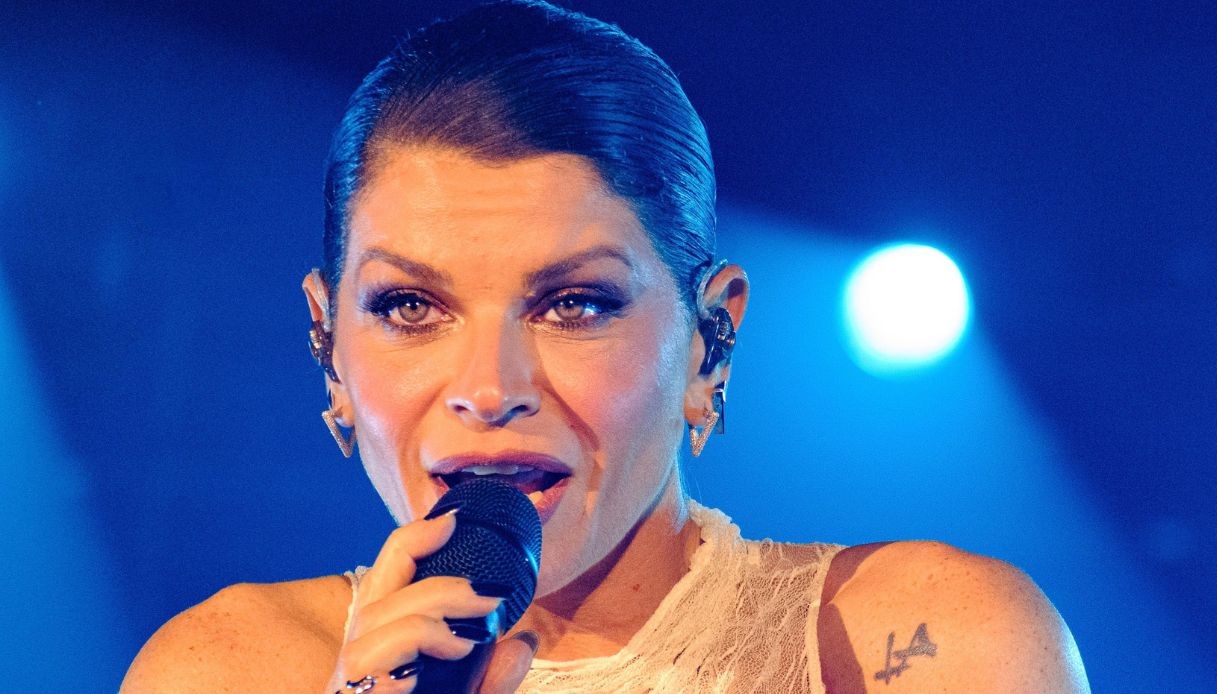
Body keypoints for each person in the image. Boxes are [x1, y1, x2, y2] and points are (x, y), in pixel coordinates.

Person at [122, 1, 1090, 692]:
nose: (489, 388)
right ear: (329, 344)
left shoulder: (929, 648)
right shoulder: (222, 671)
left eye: (574, 304)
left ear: (709, 345)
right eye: (411, 306)